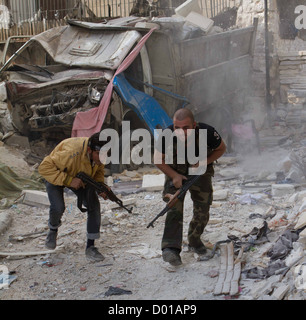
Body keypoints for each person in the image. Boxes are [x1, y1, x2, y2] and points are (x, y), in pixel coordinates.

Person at [154, 108, 226, 266]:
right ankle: (171, 249)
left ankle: (194, 239)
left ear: (194, 125)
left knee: (203, 208)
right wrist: (174, 176)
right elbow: (158, 159)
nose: (181, 132)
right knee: (173, 207)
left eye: (186, 128)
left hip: (200, 173)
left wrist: (204, 162)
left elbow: (221, 149)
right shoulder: (166, 135)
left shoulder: (207, 132)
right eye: (177, 127)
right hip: (176, 173)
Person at [38, 132, 107, 262]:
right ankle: (53, 230)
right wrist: (68, 180)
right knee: (58, 207)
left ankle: (91, 247)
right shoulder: (71, 152)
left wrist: (100, 186)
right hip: (56, 173)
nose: (103, 159)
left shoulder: (99, 153)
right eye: (100, 155)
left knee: (93, 205)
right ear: (89, 150)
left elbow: (99, 171)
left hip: (80, 177)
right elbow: (44, 167)